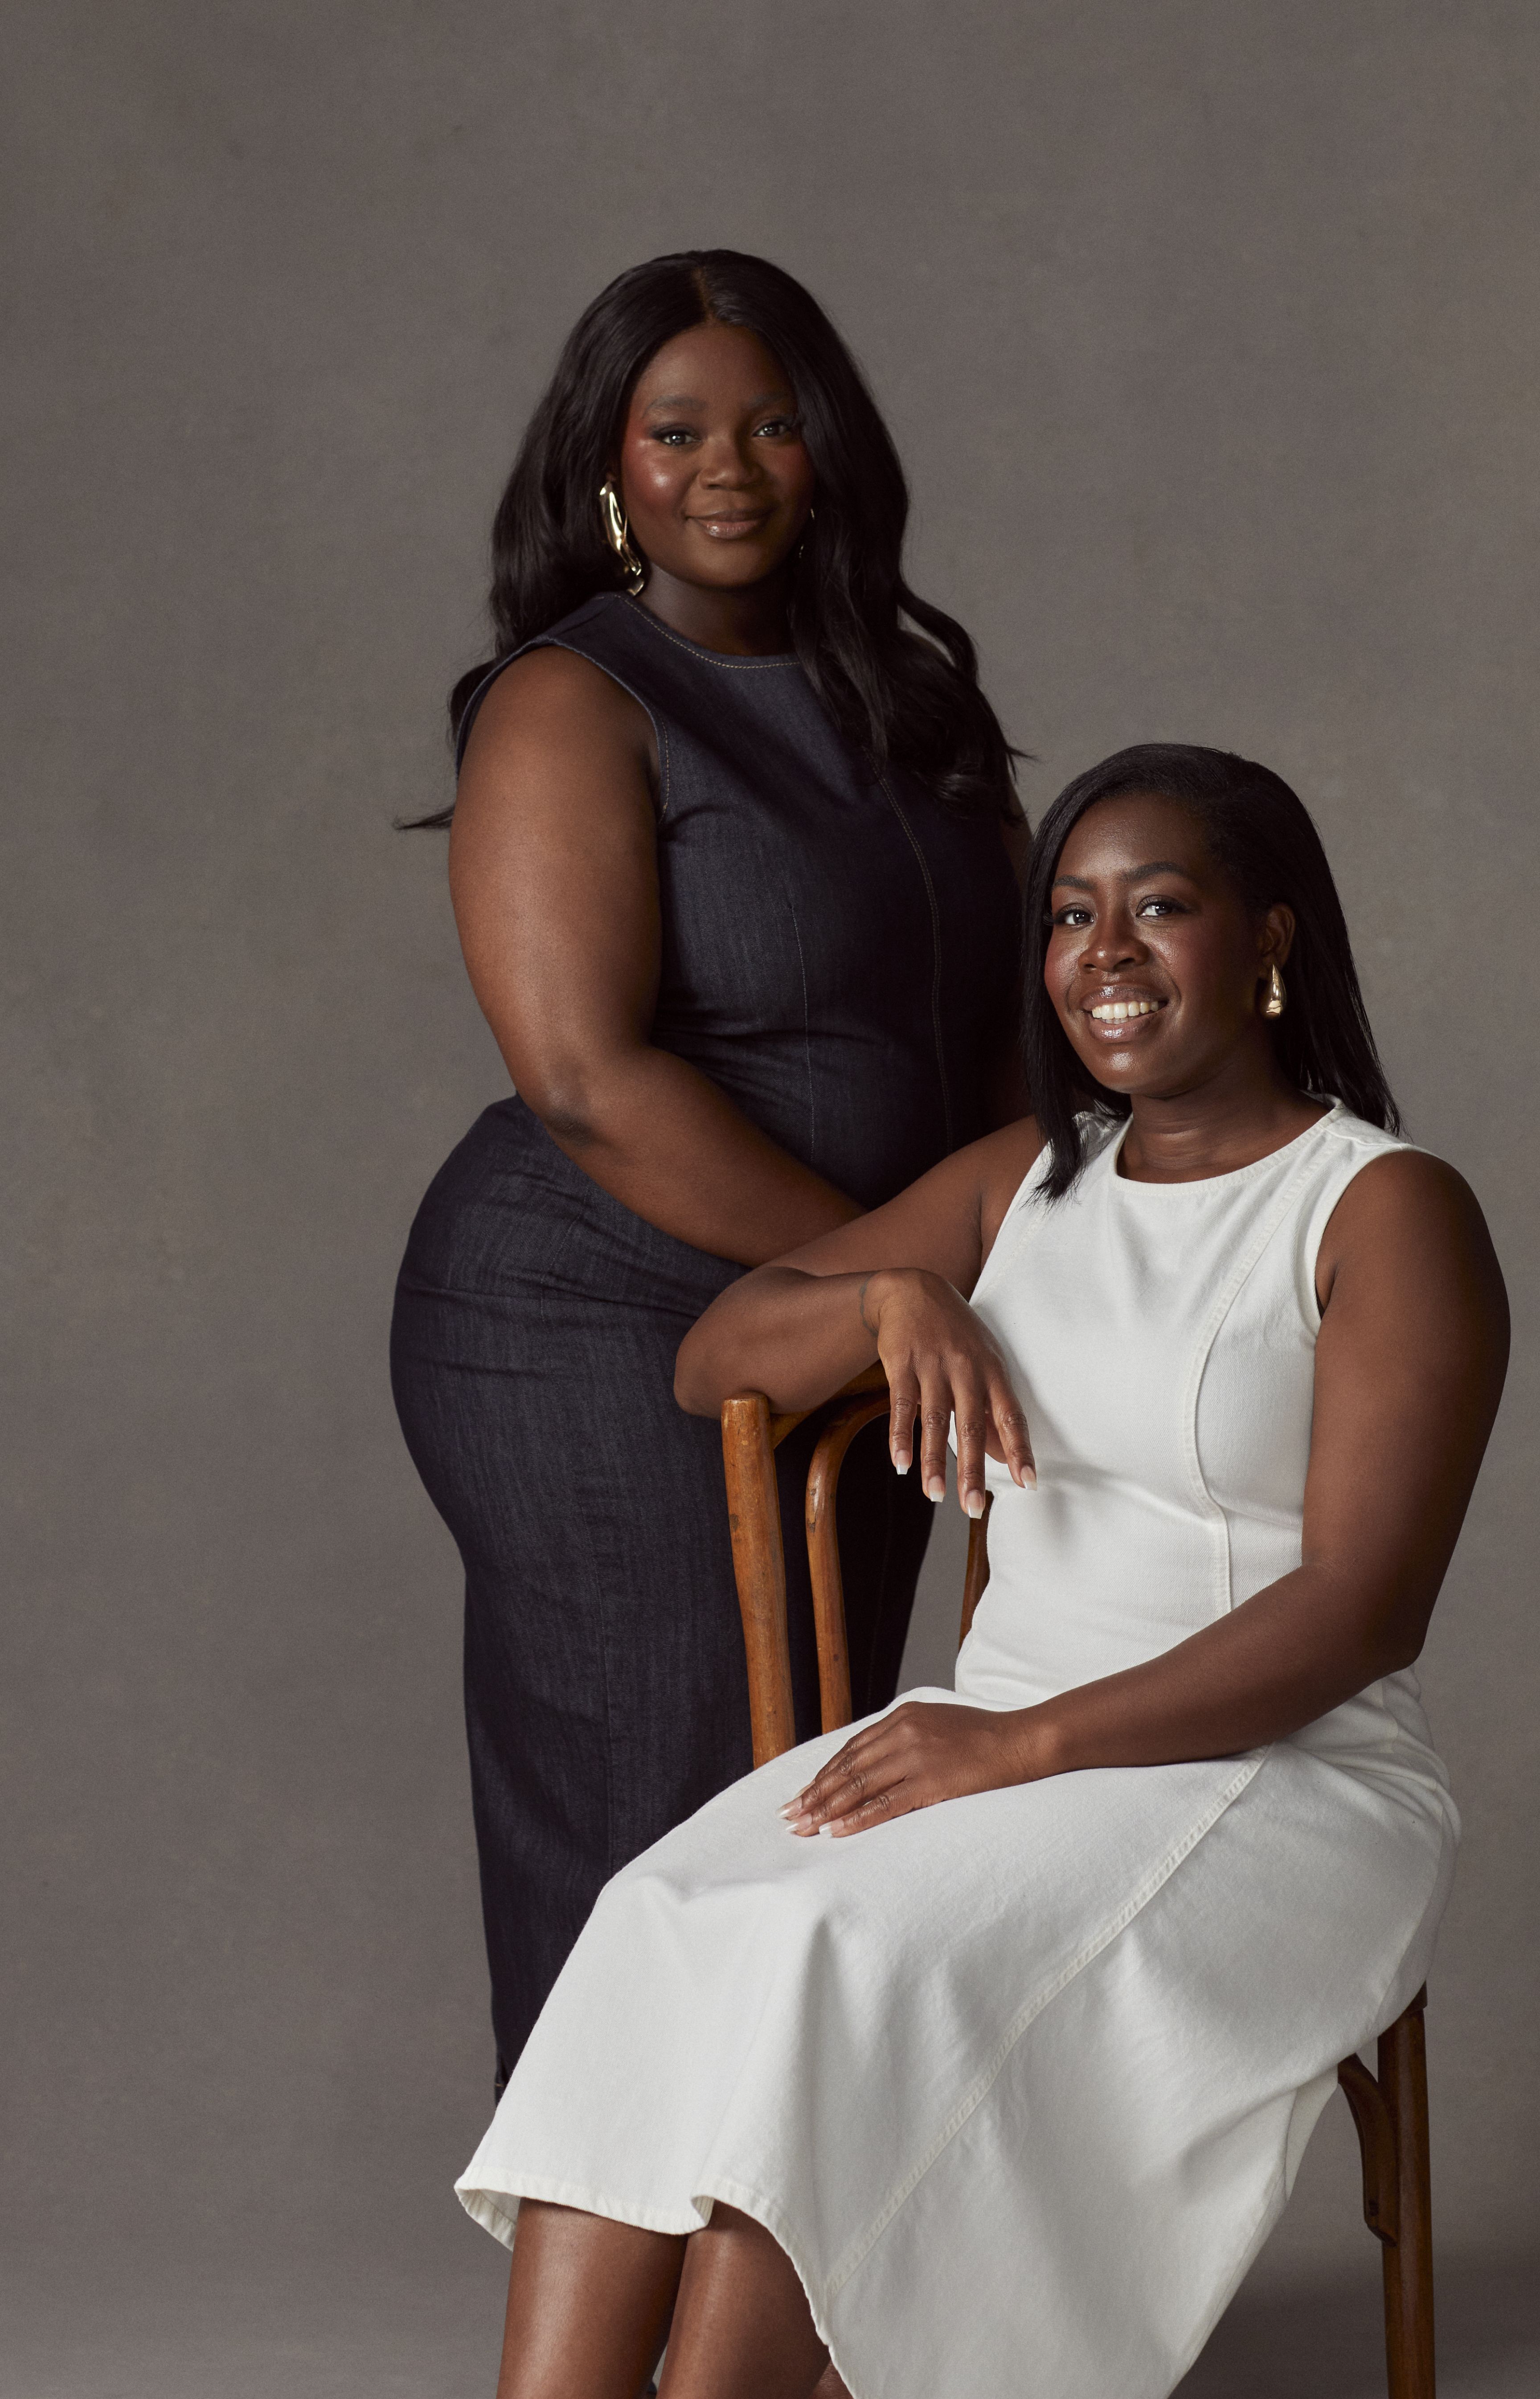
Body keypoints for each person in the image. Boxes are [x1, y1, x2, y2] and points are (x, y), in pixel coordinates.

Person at [453, 743, 1511, 2399]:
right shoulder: (1033, 1178)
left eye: (1161, 907)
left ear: (1272, 941)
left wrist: (1013, 1746)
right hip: (997, 1742)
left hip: (1267, 1773)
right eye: (1071, 915)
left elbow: (1360, 1611)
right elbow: (717, 1352)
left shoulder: (1379, 1210)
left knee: (837, 1961)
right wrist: (892, 1298)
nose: (1105, 955)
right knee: (664, 1913)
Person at [390, 251, 1026, 2091]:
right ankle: (619, 2315)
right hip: (592, 1313)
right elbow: (589, 1081)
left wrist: (1009, 1257)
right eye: (675, 429)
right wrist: (889, 1268)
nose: (726, 464)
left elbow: (1004, 1038)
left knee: (821, 1781)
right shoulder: (573, 700)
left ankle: (773, 2294)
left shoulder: (920, 707)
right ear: (610, 463)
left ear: (832, 450)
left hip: (867, 1318)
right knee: (656, 1795)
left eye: (770, 422)